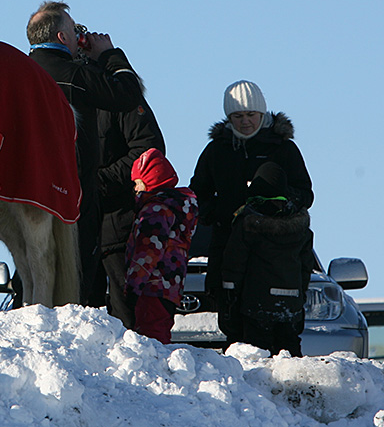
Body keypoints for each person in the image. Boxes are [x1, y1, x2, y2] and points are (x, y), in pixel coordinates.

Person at [27, 1, 143, 304]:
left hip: (27, 194)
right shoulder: (74, 75)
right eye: (74, 29)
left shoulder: (18, 75)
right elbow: (128, 94)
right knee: (77, 284)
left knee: (35, 276)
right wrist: (108, 54)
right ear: (63, 37)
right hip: (74, 196)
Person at [189, 80, 314, 326]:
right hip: (227, 246)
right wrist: (216, 213)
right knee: (232, 322)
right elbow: (197, 194)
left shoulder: (283, 148)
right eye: (238, 116)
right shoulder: (216, 150)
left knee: (277, 329)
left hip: (274, 252)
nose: (245, 121)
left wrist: (280, 207)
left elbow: (305, 194)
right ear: (228, 118)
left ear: (262, 113)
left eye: (250, 114)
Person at [221, 162, 314, 356]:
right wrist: (300, 294)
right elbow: (306, 267)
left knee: (257, 354)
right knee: (290, 351)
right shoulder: (301, 227)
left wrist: (230, 293)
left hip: (256, 302)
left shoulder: (247, 224)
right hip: (291, 303)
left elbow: (234, 262)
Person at [96, 100, 166, 328]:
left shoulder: (122, 97)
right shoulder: (57, 92)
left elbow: (148, 150)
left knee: (125, 314)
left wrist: (98, 181)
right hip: (69, 222)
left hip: (119, 222)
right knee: (78, 315)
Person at [126, 148, 198, 344]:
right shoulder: (176, 206)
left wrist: (133, 287)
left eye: (137, 182)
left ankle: (154, 363)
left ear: (150, 180)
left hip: (151, 285)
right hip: (170, 286)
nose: (135, 188)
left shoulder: (155, 210)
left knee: (150, 335)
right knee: (160, 329)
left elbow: (147, 252)